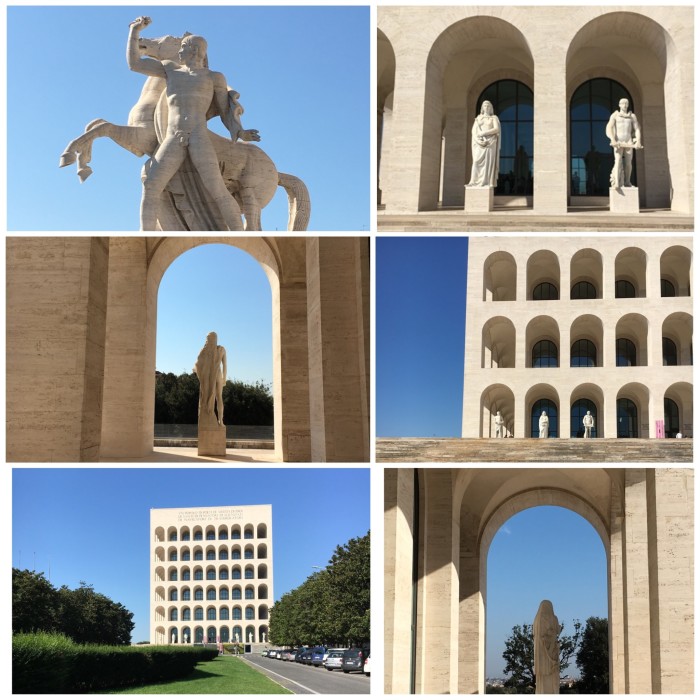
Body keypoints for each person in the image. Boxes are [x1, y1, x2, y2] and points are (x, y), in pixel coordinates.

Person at [127, 16, 260, 230]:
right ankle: (146, 234)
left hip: (198, 137)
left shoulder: (214, 78)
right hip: (173, 137)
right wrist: (134, 32)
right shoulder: (170, 70)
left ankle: (239, 232)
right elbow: (135, 64)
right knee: (151, 185)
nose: (179, 52)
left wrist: (241, 132)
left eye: (183, 48)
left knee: (216, 189)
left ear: (195, 51)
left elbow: (225, 110)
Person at [605, 98, 642, 189]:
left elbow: (637, 129)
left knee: (628, 162)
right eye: (623, 103)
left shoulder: (632, 116)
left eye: (626, 103)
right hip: (618, 141)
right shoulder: (615, 115)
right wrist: (613, 139)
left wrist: (638, 141)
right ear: (619, 105)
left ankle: (627, 181)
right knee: (618, 161)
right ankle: (617, 182)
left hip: (628, 141)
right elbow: (609, 127)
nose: (625, 105)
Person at [193, 331, 227, 426]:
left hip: (213, 376)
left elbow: (197, 365)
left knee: (218, 397)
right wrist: (224, 378)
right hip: (217, 376)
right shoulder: (220, 349)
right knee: (219, 397)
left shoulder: (206, 351)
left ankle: (220, 420)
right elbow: (225, 366)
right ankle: (220, 421)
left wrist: (196, 369)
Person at [467, 100, 501, 187]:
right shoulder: (478, 119)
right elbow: (474, 132)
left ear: (491, 108)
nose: (486, 107)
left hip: (490, 143)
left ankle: (485, 182)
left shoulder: (493, 118)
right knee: (476, 161)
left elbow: (496, 129)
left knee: (488, 164)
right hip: (479, 143)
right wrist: (479, 141)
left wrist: (484, 133)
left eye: (488, 106)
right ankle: (473, 181)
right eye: (485, 105)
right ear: (482, 108)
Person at [533, 600, 560, 694]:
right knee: (551, 678)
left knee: (542, 679)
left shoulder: (537, 620)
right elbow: (557, 631)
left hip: (540, 657)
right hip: (550, 654)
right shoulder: (553, 618)